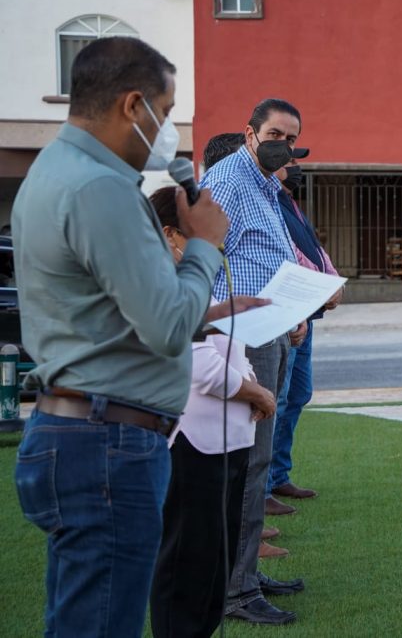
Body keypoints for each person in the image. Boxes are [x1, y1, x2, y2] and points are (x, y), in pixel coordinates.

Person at [10, 37, 249, 637]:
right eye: (165, 113)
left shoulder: (58, 171)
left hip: (80, 430)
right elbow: (166, 327)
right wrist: (205, 245)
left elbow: (115, 314)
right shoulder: (100, 189)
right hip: (106, 442)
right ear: (132, 105)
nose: (168, 130)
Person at [147, 187, 279, 638]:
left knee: (213, 566)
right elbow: (199, 366)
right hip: (192, 442)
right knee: (187, 563)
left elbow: (229, 348)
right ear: (171, 234)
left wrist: (250, 383)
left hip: (229, 439)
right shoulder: (163, 284)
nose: (217, 233)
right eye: (202, 224)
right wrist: (258, 394)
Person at [200, 98, 310, 626]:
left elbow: (265, 255)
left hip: (271, 330)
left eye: (291, 139)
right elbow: (202, 260)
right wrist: (220, 325)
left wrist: (295, 310)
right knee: (247, 462)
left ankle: (245, 573)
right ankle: (236, 590)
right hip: (243, 336)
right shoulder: (228, 180)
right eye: (274, 135)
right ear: (250, 133)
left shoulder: (264, 183)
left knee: (256, 461)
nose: (283, 146)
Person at [269, 154, 343, 504]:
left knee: (298, 394)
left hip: (305, 314)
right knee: (278, 398)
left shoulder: (291, 204)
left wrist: (333, 280)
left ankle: (277, 475)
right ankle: (262, 486)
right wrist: (323, 285)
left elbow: (313, 247)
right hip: (287, 313)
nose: (295, 168)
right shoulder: (269, 203)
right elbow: (287, 254)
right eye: (289, 162)